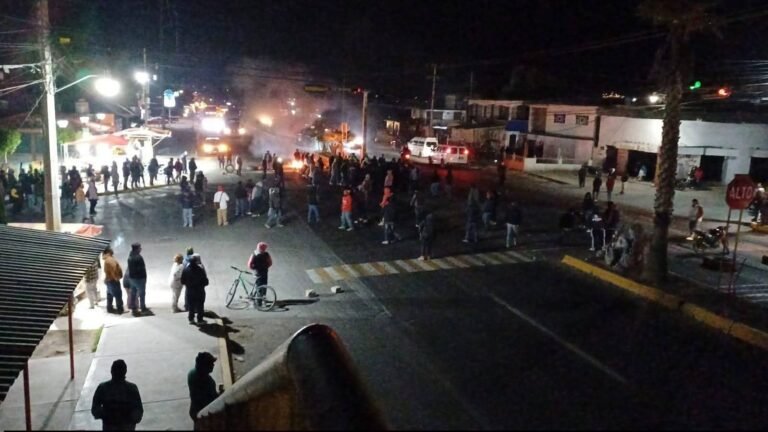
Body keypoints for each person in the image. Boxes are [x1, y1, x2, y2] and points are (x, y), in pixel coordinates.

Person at [91, 359, 143, 431]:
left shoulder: (103, 388)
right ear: (125, 372)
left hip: (113, 426)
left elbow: (95, 410)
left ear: (111, 371)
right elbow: (138, 412)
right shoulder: (132, 389)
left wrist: (108, 414)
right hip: (125, 426)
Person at [188, 352, 221, 424]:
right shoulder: (207, 382)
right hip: (204, 414)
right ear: (205, 367)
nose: (213, 365)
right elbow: (211, 399)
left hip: (194, 410)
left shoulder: (192, 373)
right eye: (211, 364)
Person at [182, 253, 209, 324]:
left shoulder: (186, 270)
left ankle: (191, 319)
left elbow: (182, 281)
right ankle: (200, 320)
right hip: (199, 291)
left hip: (190, 291)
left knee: (191, 305)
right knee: (200, 305)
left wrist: (188, 284)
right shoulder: (200, 270)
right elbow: (205, 281)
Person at [247, 242, 272, 307]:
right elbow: (270, 263)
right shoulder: (266, 254)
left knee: (258, 286)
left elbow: (249, 264)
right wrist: (265, 267)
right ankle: (263, 299)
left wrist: (254, 268)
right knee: (264, 286)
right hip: (264, 272)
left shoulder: (254, 254)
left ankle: (258, 302)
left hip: (257, 272)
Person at [127, 243, 148, 316]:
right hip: (139, 278)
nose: (141, 249)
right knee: (142, 293)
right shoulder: (138, 257)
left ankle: (133, 307)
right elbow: (141, 269)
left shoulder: (130, 256)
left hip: (132, 278)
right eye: (140, 248)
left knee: (133, 293)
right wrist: (144, 278)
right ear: (137, 249)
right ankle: (143, 307)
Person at [103, 248, 124, 314]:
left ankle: (109, 308)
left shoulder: (106, 259)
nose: (113, 251)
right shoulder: (110, 260)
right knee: (118, 295)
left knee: (109, 295)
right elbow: (114, 269)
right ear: (108, 252)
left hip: (108, 280)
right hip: (113, 280)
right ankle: (120, 309)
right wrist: (116, 277)